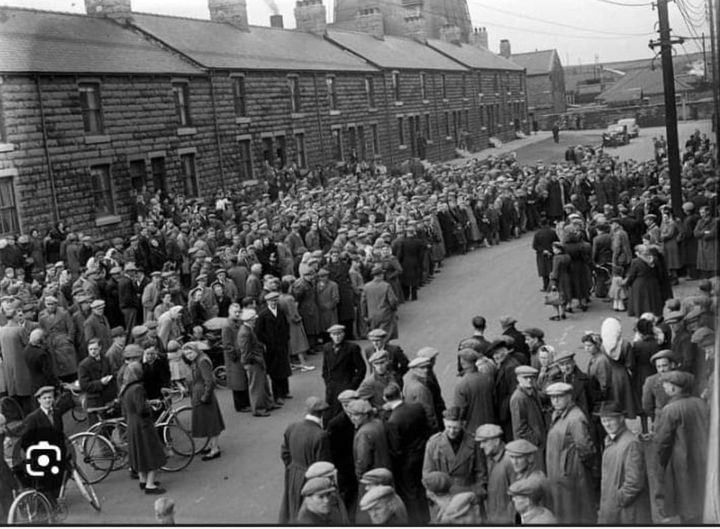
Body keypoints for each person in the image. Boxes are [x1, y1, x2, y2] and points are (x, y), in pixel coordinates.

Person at [654, 370, 709, 523]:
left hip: (681, 460)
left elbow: (663, 442)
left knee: (685, 498)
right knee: (700, 494)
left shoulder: (670, 409)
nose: (665, 387)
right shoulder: (700, 403)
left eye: (667, 384)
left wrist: (661, 464)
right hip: (703, 455)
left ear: (674, 387)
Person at [544, 382, 596, 524]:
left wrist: (575, 468)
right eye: (552, 397)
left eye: (559, 397)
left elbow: (585, 448)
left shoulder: (575, 418)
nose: (555, 400)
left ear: (569, 397)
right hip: (559, 475)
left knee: (574, 514)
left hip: (571, 476)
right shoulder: (558, 414)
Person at [595, 401, 651, 523]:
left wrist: (618, 499)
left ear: (621, 419)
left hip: (626, 512)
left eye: (611, 420)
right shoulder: (611, 441)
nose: (607, 424)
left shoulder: (631, 444)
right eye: (604, 420)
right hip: (614, 508)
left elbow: (634, 482)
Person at [383, 381, 431, 524]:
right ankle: (427, 516)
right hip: (422, 455)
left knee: (411, 494)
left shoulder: (393, 421)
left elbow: (396, 449)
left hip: (406, 463)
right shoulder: (417, 407)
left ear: (386, 399)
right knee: (421, 488)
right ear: (401, 394)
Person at [279, 396, 332, 524]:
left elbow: (284, 453)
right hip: (310, 478)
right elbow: (322, 464)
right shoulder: (321, 435)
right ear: (322, 414)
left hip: (293, 473)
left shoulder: (292, 426)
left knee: (292, 504)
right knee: (308, 512)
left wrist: (292, 468)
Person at [120, 361, 166, 495]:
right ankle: (150, 485)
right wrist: (149, 406)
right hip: (143, 425)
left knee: (140, 454)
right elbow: (141, 409)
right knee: (151, 453)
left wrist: (147, 402)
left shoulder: (126, 388)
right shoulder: (138, 388)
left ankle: (143, 480)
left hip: (132, 424)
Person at [423, 407, 485, 497]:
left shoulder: (473, 442)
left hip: (467, 493)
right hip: (443, 495)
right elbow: (427, 474)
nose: (452, 431)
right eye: (449, 427)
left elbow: (481, 472)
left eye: (456, 428)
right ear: (444, 422)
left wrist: (476, 493)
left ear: (463, 424)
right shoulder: (433, 444)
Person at [181, 342, 224, 460]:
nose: (189, 355)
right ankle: (212, 446)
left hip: (203, 396)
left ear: (195, 350)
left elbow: (209, 381)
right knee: (208, 422)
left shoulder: (202, 361)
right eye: (186, 354)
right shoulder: (198, 360)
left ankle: (214, 448)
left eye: (190, 352)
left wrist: (205, 396)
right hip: (200, 395)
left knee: (211, 423)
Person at [326, 390, 360, 517]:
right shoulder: (335, 424)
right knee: (349, 500)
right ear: (344, 406)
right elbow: (332, 451)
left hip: (360, 466)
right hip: (346, 470)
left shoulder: (361, 416)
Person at [321, 324, 365, 421]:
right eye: (334, 334)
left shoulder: (352, 348)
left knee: (344, 414)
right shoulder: (327, 348)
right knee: (328, 413)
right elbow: (325, 368)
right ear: (330, 336)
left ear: (343, 334)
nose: (337, 337)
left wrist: (352, 386)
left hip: (346, 385)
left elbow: (361, 369)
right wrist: (328, 382)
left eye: (339, 334)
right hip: (331, 387)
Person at [347, 399, 392, 492]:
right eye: (351, 415)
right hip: (385, 471)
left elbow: (363, 461)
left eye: (356, 415)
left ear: (366, 415)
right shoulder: (378, 423)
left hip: (371, 477)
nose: (352, 418)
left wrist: (360, 477)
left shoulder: (363, 433)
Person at [255, 291, 292, 405]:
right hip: (271, 347)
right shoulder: (263, 315)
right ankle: (277, 395)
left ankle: (285, 391)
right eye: (271, 301)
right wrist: (266, 342)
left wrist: (286, 339)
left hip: (282, 345)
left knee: (284, 368)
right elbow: (258, 332)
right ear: (267, 302)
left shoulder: (280, 312)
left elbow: (286, 326)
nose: (273, 303)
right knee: (275, 371)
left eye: (275, 300)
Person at [237, 308, 274, 417]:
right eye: (254, 319)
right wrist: (257, 359)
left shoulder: (248, 329)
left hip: (256, 361)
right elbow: (246, 352)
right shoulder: (245, 332)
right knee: (256, 387)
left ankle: (267, 404)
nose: (255, 320)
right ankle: (258, 409)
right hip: (253, 363)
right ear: (250, 320)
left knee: (263, 384)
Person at [510, 366, 546, 470]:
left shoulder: (532, 391)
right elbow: (519, 429)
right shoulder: (518, 398)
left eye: (531, 377)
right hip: (529, 446)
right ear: (518, 379)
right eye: (525, 377)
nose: (529, 380)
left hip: (538, 443)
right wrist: (536, 439)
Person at [475, 423, 513, 523]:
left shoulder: (510, 460)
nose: (481, 446)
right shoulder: (490, 458)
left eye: (485, 442)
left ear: (496, 441)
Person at [454, 348, 495, 435]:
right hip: (491, 424)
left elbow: (459, 411)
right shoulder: (488, 378)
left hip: (472, 428)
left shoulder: (462, 384)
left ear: (463, 363)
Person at [78, 338, 117, 423]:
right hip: (95, 402)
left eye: (95, 349)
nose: (93, 351)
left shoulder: (106, 359)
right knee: (98, 428)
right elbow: (84, 385)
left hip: (108, 399)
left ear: (100, 348)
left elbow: (113, 373)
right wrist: (100, 383)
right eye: (90, 349)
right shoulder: (83, 365)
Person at [221, 303, 250, 412]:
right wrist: (234, 356)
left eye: (239, 312)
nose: (237, 314)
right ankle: (240, 405)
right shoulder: (227, 326)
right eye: (235, 312)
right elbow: (227, 344)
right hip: (234, 358)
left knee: (242, 380)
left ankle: (245, 403)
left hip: (240, 355)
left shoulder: (239, 323)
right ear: (230, 312)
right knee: (237, 382)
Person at [361, 264, 399, 340]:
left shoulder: (366, 286)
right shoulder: (386, 286)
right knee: (385, 336)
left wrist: (364, 314)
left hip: (372, 315)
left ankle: (377, 349)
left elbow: (363, 302)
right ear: (381, 275)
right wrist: (394, 309)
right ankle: (383, 350)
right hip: (385, 314)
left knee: (375, 336)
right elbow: (393, 301)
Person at [531, 218, 559, 292]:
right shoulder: (552, 232)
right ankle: (554, 285)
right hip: (552, 253)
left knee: (544, 271)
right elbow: (557, 242)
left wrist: (543, 250)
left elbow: (534, 246)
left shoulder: (537, 234)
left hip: (542, 255)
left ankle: (546, 286)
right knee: (552, 269)